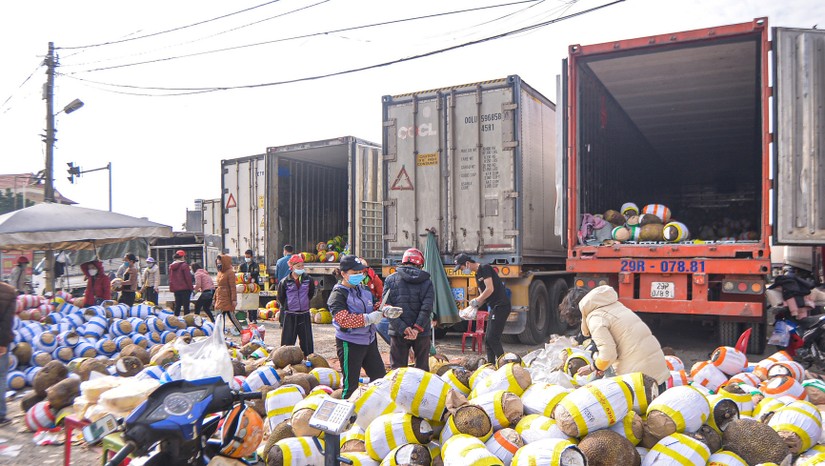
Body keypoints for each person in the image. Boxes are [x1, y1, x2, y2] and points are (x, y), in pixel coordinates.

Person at [561, 285, 669, 389]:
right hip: (659, 374)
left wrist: (592, 367)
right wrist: (601, 366)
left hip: (641, 381)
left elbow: (608, 354)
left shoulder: (595, 318)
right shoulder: (615, 306)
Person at [328, 255, 386, 399]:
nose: (359, 276)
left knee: (380, 379)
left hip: (369, 341)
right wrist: (368, 319)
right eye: (354, 273)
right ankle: (348, 415)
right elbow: (343, 319)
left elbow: (372, 306)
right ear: (343, 274)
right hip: (350, 343)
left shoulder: (364, 290)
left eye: (360, 273)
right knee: (351, 385)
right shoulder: (338, 294)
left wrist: (384, 309)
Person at [454, 253, 511, 363]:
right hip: (494, 307)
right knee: (488, 340)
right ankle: (491, 364)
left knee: (492, 338)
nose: (462, 271)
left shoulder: (485, 268)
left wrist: (478, 300)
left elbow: (490, 289)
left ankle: (504, 364)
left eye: (461, 268)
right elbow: (483, 296)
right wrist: (473, 307)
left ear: (467, 263)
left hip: (501, 306)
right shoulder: (476, 275)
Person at [383, 248, 434, 371]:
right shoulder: (427, 282)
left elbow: (386, 308)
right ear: (420, 264)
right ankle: (421, 390)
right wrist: (416, 329)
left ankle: (398, 391)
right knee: (422, 370)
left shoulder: (390, 280)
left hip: (398, 332)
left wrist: (403, 328)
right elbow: (427, 308)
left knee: (398, 370)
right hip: (422, 333)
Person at [277, 255, 315, 356]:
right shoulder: (285, 281)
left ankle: (308, 359)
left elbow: (311, 293)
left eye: (302, 266)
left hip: (304, 313)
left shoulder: (308, 279)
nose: (301, 268)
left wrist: (304, 302)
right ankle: (285, 359)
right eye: (298, 266)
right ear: (292, 267)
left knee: (306, 341)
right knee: (288, 340)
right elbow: (281, 297)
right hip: (290, 314)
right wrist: (288, 306)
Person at [214, 254, 243, 334]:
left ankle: (242, 331)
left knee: (231, 315)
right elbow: (218, 286)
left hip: (227, 297)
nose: (219, 265)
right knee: (221, 316)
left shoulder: (230, 273)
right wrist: (215, 297)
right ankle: (221, 333)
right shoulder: (219, 272)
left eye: (220, 263)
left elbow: (232, 287)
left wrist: (233, 299)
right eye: (217, 263)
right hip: (220, 296)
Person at [0, 282, 16, 425]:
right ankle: (0, 415)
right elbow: (7, 322)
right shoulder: (9, 291)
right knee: (1, 377)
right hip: (1, 341)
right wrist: (3, 344)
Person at [168, 250, 194, 316]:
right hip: (185, 289)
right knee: (186, 307)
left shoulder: (171, 266)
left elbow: (171, 278)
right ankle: (187, 321)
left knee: (177, 306)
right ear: (183, 257)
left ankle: (175, 320)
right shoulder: (184, 265)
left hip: (176, 289)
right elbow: (188, 278)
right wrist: (191, 288)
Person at [239, 249, 260, 324]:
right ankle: (249, 318)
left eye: (248, 256)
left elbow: (256, 273)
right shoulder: (242, 265)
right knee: (247, 302)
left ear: (251, 257)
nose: (247, 258)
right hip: (245, 287)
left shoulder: (255, 265)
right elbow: (239, 275)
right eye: (246, 256)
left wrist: (249, 274)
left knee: (253, 301)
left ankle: (254, 318)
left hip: (254, 286)